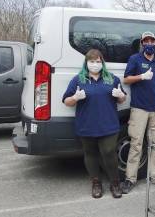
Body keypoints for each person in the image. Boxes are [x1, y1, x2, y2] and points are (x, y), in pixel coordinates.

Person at [62, 49, 126, 199]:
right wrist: (75, 98)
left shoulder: (112, 79)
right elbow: (66, 101)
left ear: (102, 63)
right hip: (86, 125)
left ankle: (115, 183)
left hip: (108, 125)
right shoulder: (78, 80)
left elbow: (122, 99)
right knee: (90, 154)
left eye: (98, 62)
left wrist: (121, 96)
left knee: (109, 152)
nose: (95, 64)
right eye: (92, 61)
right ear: (86, 63)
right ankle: (96, 183)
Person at [121, 32, 155, 194]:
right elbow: (126, 79)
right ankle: (130, 179)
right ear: (142, 43)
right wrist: (141, 76)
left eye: (151, 40)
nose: (149, 43)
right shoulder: (135, 59)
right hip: (139, 108)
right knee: (136, 144)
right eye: (145, 41)